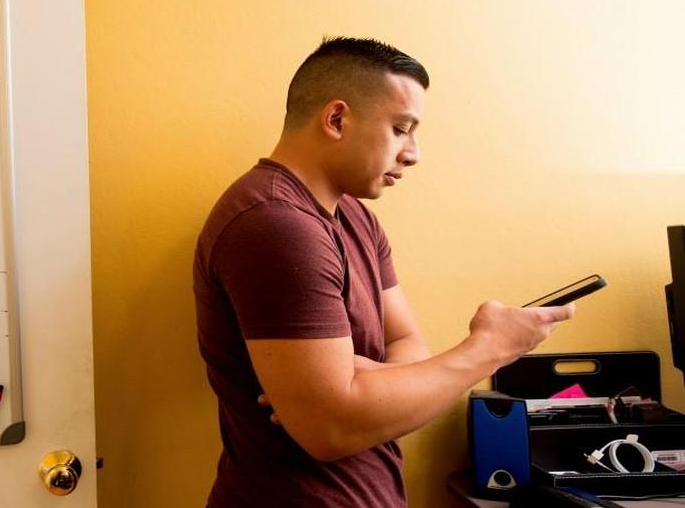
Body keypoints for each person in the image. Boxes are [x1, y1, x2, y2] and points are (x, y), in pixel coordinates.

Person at [193, 36, 574, 508]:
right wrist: (490, 348)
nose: (413, 153)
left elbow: (408, 343)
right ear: (336, 119)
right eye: (401, 128)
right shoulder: (275, 225)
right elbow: (331, 428)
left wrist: (368, 383)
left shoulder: (354, 215)